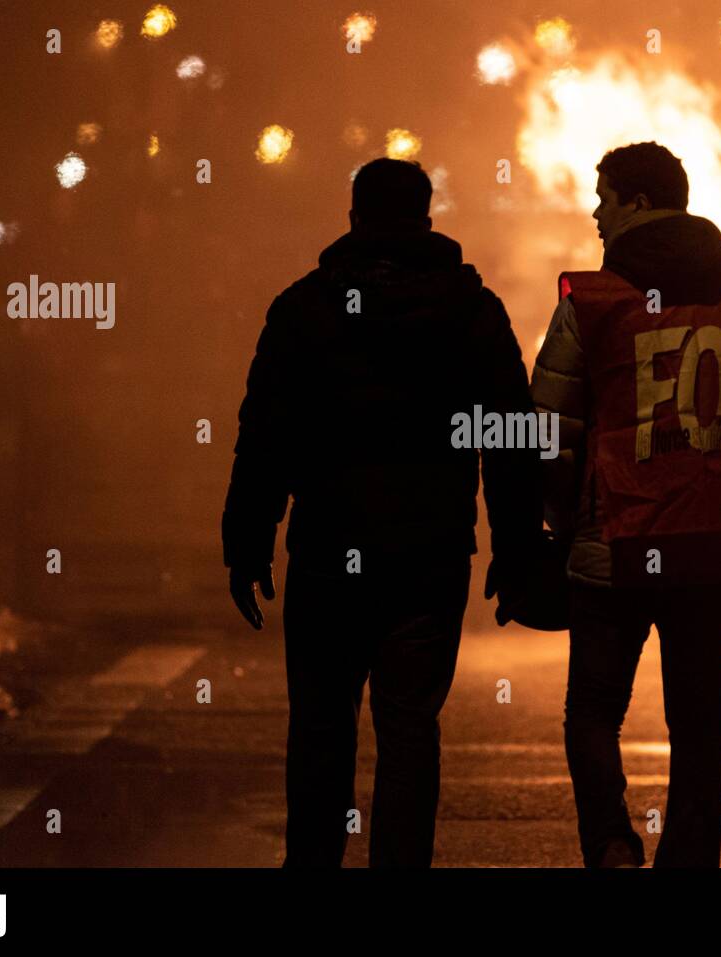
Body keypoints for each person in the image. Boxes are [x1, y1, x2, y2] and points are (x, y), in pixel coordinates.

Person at [221, 158, 541, 867]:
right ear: (428, 218)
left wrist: (247, 539)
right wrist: (517, 548)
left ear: (354, 217)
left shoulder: (304, 308)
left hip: (329, 550)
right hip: (429, 554)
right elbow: (512, 436)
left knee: (321, 729)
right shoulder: (471, 311)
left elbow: (267, 434)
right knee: (409, 728)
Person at [531, 141, 721, 867]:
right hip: (708, 550)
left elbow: (548, 429)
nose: (596, 213)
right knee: (700, 726)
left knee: (593, 710)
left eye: (604, 197)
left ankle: (610, 843)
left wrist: (565, 517)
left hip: (611, 547)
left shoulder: (590, 305)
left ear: (634, 201)